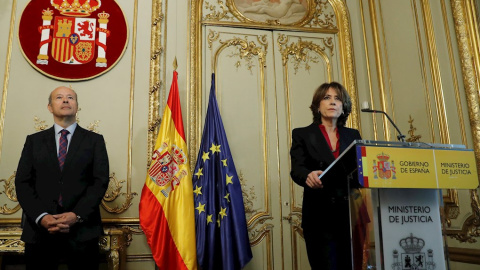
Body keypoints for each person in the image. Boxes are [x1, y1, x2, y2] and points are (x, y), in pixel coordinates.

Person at [15, 86, 110, 270]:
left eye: (70, 97)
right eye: (59, 97)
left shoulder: (95, 141)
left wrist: (77, 215)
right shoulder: (33, 141)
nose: (65, 100)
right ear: (50, 107)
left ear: (77, 106)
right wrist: (42, 217)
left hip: (83, 232)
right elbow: (23, 183)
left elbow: (99, 182)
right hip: (40, 232)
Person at [290, 82, 361, 270]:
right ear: (317, 105)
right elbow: (297, 168)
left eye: (338, 98)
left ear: (344, 106)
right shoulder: (302, 134)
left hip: (349, 213)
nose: (333, 102)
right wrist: (308, 175)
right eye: (327, 98)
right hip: (318, 214)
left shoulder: (353, 135)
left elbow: (361, 170)